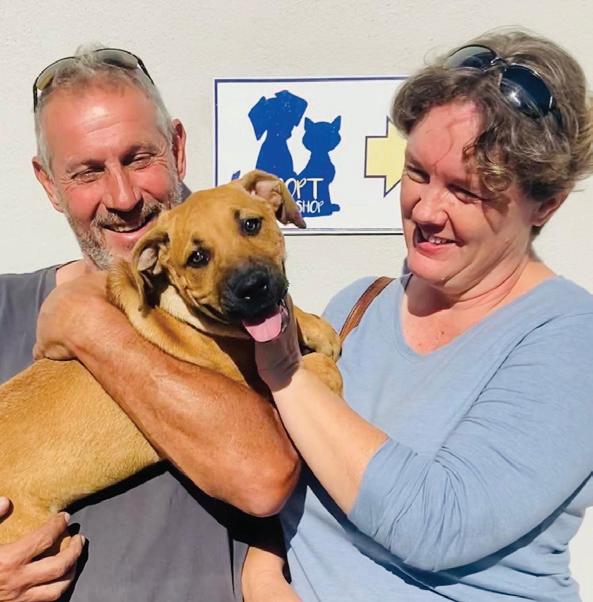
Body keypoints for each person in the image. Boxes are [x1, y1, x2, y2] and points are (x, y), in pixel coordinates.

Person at [244, 30, 593, 601]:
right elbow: (285, 471)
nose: (427, 210)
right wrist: (261, 573)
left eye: (466, 191)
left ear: (546, 204)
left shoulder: (571, 338)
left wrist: (284, 371)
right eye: (417, 173)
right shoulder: (357, 307)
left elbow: (437, 522)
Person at [0, 46, 298, 601]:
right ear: (47, 183)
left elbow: (265, 478)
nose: (123, 197)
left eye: (139, 159)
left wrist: (90, 325)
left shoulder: (237, 304)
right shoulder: (5, 309)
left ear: (177, 148)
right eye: (88, 172)